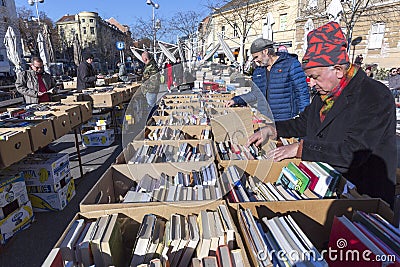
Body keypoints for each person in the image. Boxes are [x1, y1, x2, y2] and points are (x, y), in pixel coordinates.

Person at [247, 21, 396, 206]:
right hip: (326, 186)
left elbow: (351, 153)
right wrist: (273, 129)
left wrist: (300, 148)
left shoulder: (374, 95)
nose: (311, 83)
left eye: (315, 76)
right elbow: (304, 122)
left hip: (363, 197)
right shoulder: (325, 92)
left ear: (339, 70)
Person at [226, 38, 310, 121]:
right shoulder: (259, 71)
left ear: (265, 51)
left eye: (256, 57)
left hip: (286, 119)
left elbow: (302, 93)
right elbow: (256, 94)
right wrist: (237, 100)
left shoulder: (291, 64)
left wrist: (304, 118)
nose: (255, 61)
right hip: (266, 119)